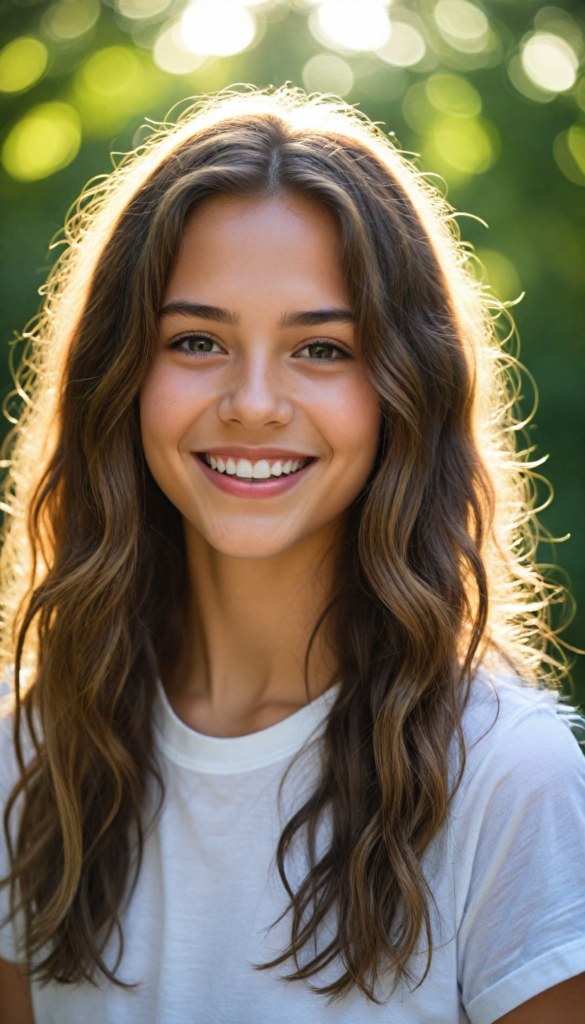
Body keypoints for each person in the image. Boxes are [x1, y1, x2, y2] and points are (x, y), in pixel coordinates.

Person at [0, 87, 583, 1024]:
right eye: (196, 341)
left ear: (406, 387)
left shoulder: (507, 777)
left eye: (321, 348)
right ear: (119, 378)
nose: (255, 401)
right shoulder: (29, 757)